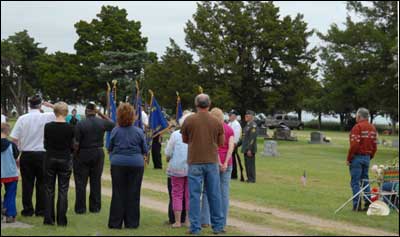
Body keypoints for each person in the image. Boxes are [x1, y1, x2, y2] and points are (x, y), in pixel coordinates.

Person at [181, 94, 225, 235]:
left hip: (194, 161)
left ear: (196, 104)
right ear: (209, 104)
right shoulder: (217, 121)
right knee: (214, 194)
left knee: (194, 195)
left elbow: (185, 139)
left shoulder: (189, 120)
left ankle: (195, 227)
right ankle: (217, 226)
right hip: (211, 161)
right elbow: (221, 142)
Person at [10, 95, 55, 217]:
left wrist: (16, 156)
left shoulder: (22, 118)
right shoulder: (47, 116)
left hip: (27, 154)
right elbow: (62, 111)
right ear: (40, 105)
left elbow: (14, 139)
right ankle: (40, 210)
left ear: (29, 105)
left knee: (27, 183)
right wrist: (49, 105)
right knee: (42, 183)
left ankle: (28, 210)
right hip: (42, 154)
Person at [108, 103, 148, 229]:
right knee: (134, 193)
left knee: (118, 193)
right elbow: (145, 149)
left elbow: (110, 147)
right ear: (133, 117)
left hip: (118, 163)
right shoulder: (139, 132)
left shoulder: (115, 131)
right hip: (136, 164)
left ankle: (115, 223)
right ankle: (132, 223)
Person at [73, 102, 115, 214]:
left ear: (86, 111)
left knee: (81, 182)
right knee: (96, 181)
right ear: (95, 111)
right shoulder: (101, 122)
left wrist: (74, 155)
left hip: (83, 152)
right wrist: (101, 114)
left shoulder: (80, 124)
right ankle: (95, 207)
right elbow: (113, 124)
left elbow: (76, 142)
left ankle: (80, 208)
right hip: (98, 152)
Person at [201, 108, 235, 229]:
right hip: (228, 163)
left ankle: (205, 219)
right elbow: (231, 147)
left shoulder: (210, 129)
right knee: (224, 192)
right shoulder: (229, 129)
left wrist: (219, 162)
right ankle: (223, 221)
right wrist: (225, 162)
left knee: (207, 190)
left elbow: (213, 147)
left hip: (212, 162)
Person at [43, 102, 74, 226]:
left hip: (50, 158)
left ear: (55, 112)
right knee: (63, 189)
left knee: (49, 189)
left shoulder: (48, 126)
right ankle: (62, 220)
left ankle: (49, 219)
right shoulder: (71, 127)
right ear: (66, 112)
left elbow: (45, 143)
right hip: (65, 159)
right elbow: (73, 145)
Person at [165, 112, 193, 228]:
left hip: (177, 168)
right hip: (192, 167)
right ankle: (187, 220)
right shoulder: (197, 135)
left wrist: (167, 158)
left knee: (177, 194)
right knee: (188, 194)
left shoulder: (176, 134)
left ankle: (177, 221)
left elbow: (168, 152)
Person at [347, 108, 377, 211]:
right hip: (367, 158)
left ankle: (357, 204)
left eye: (356, 115)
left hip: (357, 158)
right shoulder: (372, 128)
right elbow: (374, 145)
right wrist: (370, 156)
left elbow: (354, 145)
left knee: (355, 182)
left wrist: (349, 158)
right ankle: (368, 203)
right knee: (365, 181)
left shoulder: (357, 127)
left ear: (359, 116)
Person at [1, 123, 20, 223]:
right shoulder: (12, 145)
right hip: (10, 173)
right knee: (11, 194)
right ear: (7, 132)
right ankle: (10, 214)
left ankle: (3, 208)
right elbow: (16, 157)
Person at [241, 110, 258, 183]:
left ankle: (252, 179)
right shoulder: (247, 125)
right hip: (245, 148)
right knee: (247, 164)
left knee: (250, 164)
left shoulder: (253, 125)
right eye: (245, 116)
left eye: (247, 116)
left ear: (251, 117)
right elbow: (244, 137)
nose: (246, 117)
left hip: (249, 149)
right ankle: (249, 178)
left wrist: (249, 149)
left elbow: (252, 138)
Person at [227, 109, 242, 180]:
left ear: (235, 116)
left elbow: (236, 135)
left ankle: (234, 174)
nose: (230, 116)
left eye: (231, 115)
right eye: (230, 115)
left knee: (233, 159)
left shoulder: (236, 124)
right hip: (228, 144)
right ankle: (231, 173)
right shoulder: (230, 123)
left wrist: (234, 144)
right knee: (230, 159)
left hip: (233, 144)